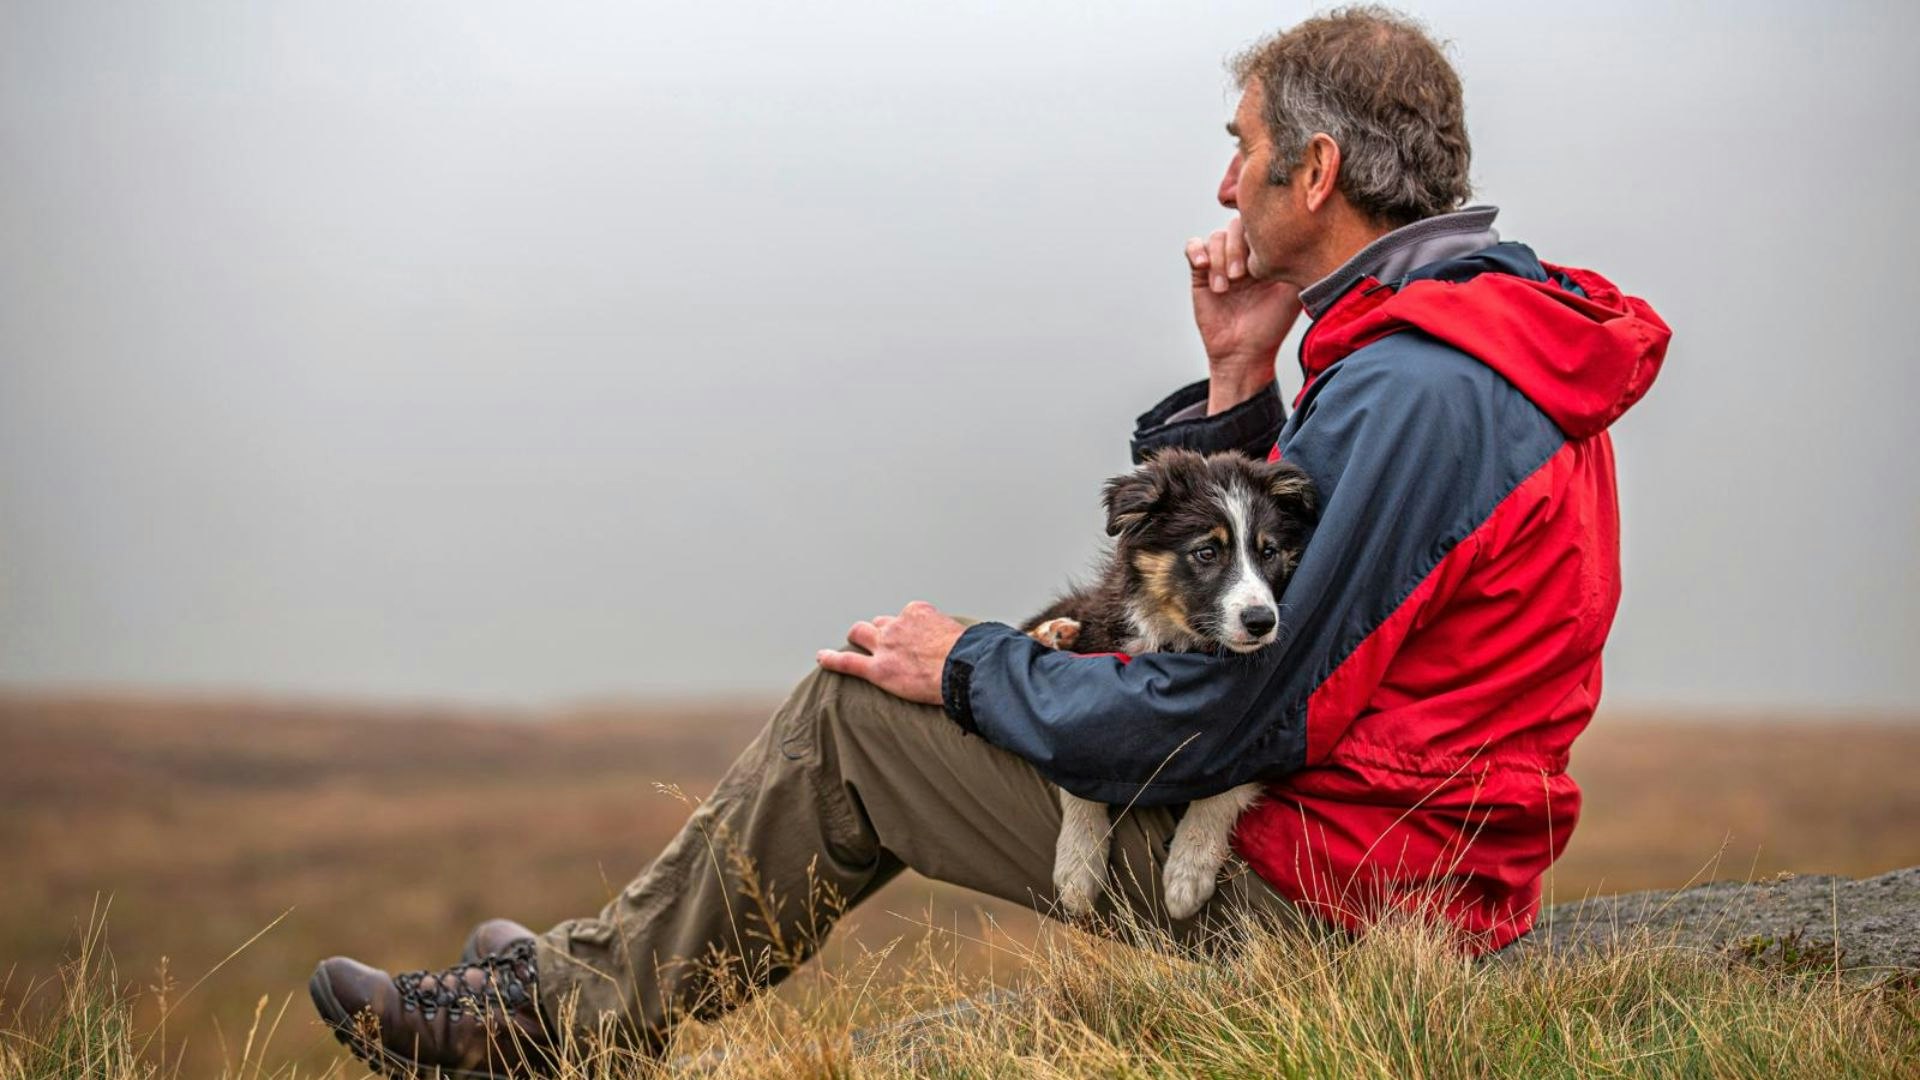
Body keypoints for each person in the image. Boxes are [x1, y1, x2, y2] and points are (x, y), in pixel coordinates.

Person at [308, 7, 1671, 1076]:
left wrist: (966, 669)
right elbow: (1284, 602)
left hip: (1342, 907)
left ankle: (569, 1020)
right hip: (1410, 875)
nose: (1224, 176)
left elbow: (1228, 714)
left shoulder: (1415, 389)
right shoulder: (1487, 343)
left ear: (1315, 172)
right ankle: (600, 970)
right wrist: (1240, 385)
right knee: (955, 677)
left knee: (861, 719)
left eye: (1243, 146)